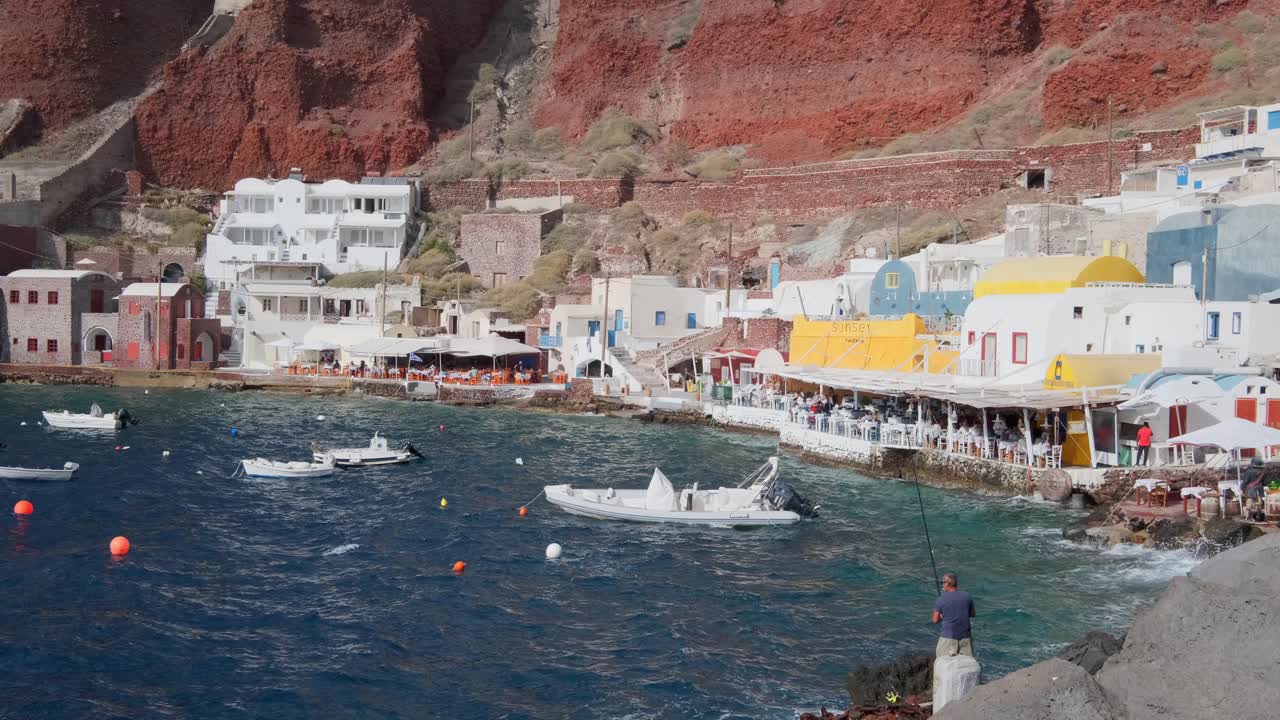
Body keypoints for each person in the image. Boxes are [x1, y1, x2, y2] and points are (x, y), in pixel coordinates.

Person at [932, 572, 976, 657]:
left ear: (947, 583)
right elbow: (973, 614)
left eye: (943, 583)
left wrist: (942, 616)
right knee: (966, 666)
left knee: (943, 664)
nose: (942, 585)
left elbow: (935, 620)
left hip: (948, 638)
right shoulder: (967, 596)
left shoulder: (941, 599)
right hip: (965, 638)